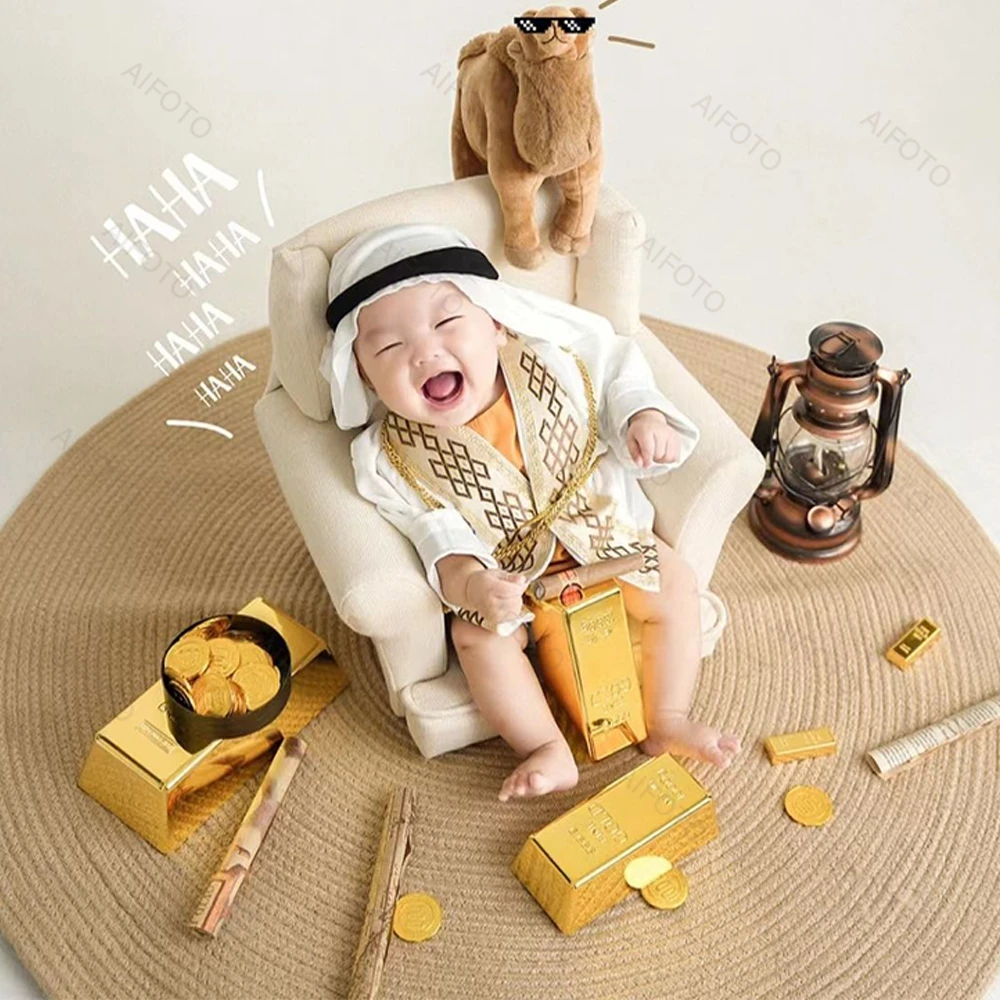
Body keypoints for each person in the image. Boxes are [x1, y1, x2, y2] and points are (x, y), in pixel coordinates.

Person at [320, 222, 741, 802]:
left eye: (447, 323)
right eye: (390, 348)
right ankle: (544, 746)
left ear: (494, 322)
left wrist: (642, 417)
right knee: (477, 643)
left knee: (676, 582)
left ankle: (667, 717)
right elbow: (435, 537)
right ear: (364, 372)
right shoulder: (390, 455)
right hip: (514, 583)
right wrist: (473, 587)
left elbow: (619, 375)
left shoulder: (555, 361)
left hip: (603, 538)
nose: (425, 352)